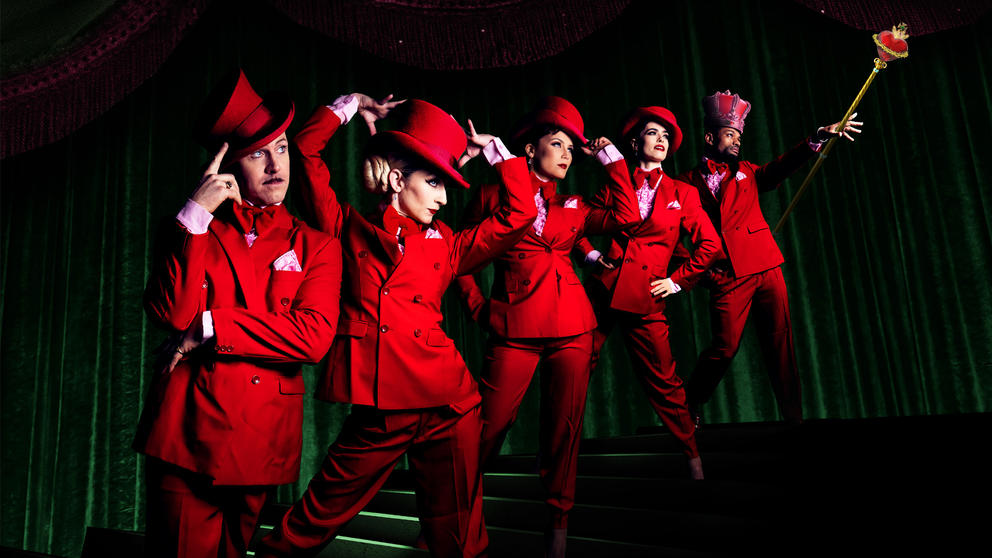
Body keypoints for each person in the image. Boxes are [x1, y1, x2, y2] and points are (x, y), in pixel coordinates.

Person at [255, 94, 537, 558]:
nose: (445, 198)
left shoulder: (448, 244)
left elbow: (519, 216)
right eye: (434, 183)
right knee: (316, 516)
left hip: (451, 403)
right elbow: (305, 154)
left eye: (448, 186)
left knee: (459, 536)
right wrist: (348, 107)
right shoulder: (345, 225)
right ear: (397, 178)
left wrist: (499, 155)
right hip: (383, 404)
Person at [134, 69, 342, 557]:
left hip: (263, 438)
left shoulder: (318, 246)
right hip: (186, 436)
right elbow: (170, 312)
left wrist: (209, 327)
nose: (276, 166)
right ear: (228, 165)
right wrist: (195, 217)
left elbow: (311, 338)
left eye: (284, 148)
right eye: (257, 154)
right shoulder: (191, 228)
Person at [453, 96, 639, 558]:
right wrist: (480, 309)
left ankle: (558, 522)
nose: (565, 154)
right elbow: (457, 259)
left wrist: (611, 159)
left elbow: (628, 216)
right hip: (514, 328)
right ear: (530, 150)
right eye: (556, 144)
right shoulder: (491, 194)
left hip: (574, 328)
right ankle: (456, 514)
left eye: (571, 150)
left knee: (564, 430)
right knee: (487, 426)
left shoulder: (574, 204)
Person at [677, 90, 862, 426]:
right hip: (726, 274)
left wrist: (815, 139)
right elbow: (672, 235)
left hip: (766, 268)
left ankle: (794, 419)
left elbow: (778, 169)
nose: (736, 141)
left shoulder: (747, 171)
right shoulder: (685, 184)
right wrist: (697, 273)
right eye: (730, 134)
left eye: (739, 136)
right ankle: (688, 402)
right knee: (724, 348)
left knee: (781, 344)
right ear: (709, 136)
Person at [575, 106, 720, 479]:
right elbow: (576, 224)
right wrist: (591, 255)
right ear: (635, 142)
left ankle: (692, 457)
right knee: (573, 369)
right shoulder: (614, 183)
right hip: (602, 292)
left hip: (646, 296)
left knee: (664, 380)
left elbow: (710, 245)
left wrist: (676, 281)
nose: (661, 140)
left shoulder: (682, 193)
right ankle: (557, 457)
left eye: (666, 136)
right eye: (653, 133)